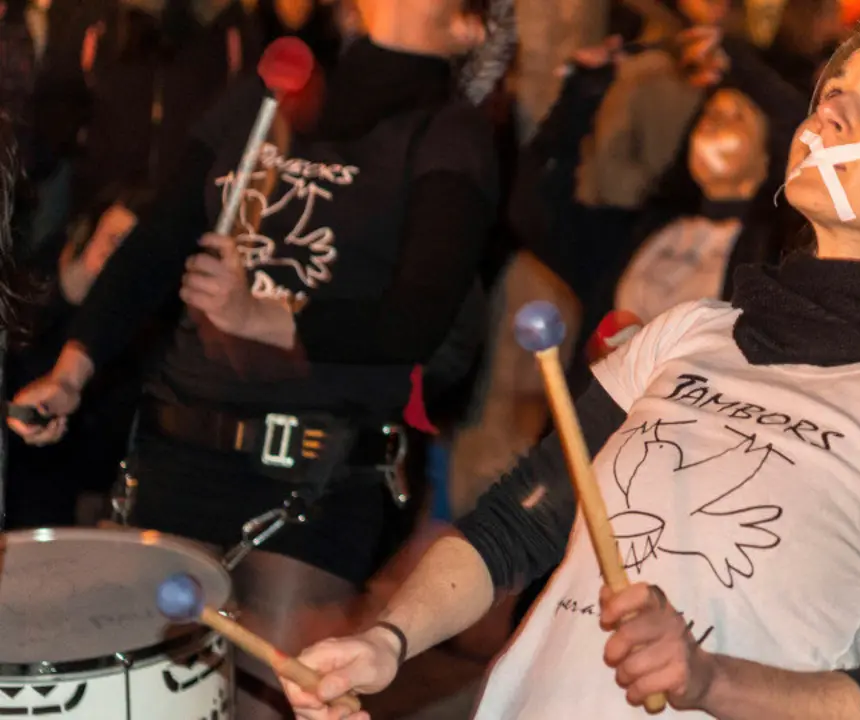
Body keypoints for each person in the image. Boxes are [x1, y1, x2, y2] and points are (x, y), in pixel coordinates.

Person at [283, 24, 860, 720]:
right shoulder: (690, 331)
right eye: (831, 95)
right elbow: (515, 525)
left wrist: (706, 681)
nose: (830, 115)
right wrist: (389, 639)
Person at [6, 0, 502, 716]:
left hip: (312, 471)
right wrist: (73, 368)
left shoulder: (449, 132)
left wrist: (266, 318)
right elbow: (156, 243)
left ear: (469, 27)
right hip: (174, 452)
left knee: (266, 703)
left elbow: (416, 319)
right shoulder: (269, 91)